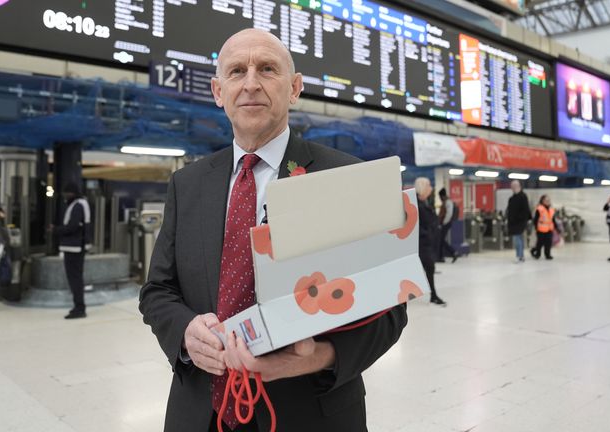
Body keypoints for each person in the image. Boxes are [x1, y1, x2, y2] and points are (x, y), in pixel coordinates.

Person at [138, 29, 408, 432]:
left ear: (294, 88)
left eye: (267, 69)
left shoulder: (346, 177)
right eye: (236, 71)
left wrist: (319, 356)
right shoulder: (188, 184)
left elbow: (390, 312)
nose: (251, 83)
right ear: (217, 91)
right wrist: (184, 333)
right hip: (200, 413)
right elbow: (158, 291)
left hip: (311, 412)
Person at [52, 183, 92, 320]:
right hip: (75, 247)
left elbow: (72, 226)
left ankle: (79, 308)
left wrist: (56, 230)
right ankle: (79, 307)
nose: (65, 196)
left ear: (72, 193)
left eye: (67, 193)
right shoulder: (80, 204)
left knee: (75, 279)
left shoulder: (77, 205)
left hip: (74, 247)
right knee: (76, 278)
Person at [416, 177, 447, 306]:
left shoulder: (424, 203)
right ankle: (433, 295)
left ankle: (433, 295)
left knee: (429, 267)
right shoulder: (417, 204)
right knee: (429, 267)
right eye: (428, 185)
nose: (431, 188)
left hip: (425, 242)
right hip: (421, 243)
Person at [506, 180, 532, 263]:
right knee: (519, 238)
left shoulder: (523, 197)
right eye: (512, 187)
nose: (512, 188)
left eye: (514, 186)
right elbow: (509, 210)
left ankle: (519, 256)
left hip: (520, 222)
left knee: (517, 239)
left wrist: (521, 219)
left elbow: (525, 210)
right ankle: (521, 255)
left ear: (518, 186)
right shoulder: (512, 198)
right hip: (513, 223)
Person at [530, 195, 557, 260]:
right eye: (546, 200)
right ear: (542, 201)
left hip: (549, 229)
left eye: (549, 200)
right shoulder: (539, 209)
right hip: (541, 229)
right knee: (540, 243)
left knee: (548, 243)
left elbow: (553, 219)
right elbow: (536, 220)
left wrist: (556, 227)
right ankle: (537, 254)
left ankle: (547, 254)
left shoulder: (551, 209)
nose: (548, 201)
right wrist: (536, 228)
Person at [437, 188, 459, 263]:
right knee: (440, 240)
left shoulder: (448, 202)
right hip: (445, 223)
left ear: (442, 196)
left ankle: (453, 253)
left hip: (446, 223)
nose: (440, 198)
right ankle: (441, 257)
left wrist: (443, 223)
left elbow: (449, 214)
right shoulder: (446, 201)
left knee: (441, 240)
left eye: (440, 197)